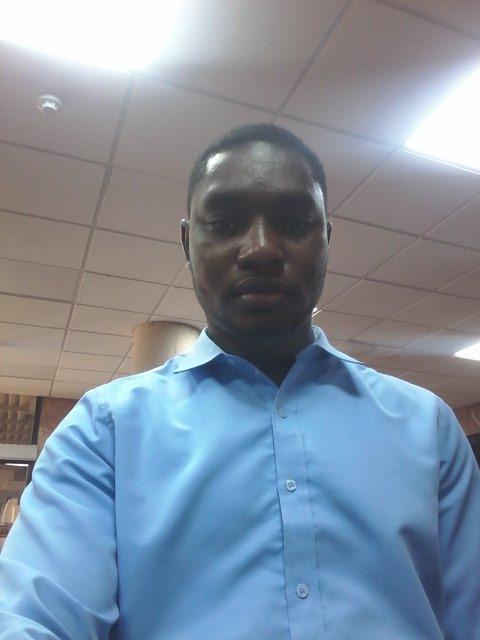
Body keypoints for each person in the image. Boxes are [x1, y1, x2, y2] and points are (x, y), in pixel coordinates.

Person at [0, 123, 479, 639]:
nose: (261, 249)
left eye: (293, 222)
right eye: (226, 222)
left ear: (326, 240)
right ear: (188, 242)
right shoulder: (103, 433)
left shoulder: (427, 428)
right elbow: (33, 619)